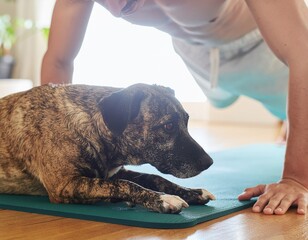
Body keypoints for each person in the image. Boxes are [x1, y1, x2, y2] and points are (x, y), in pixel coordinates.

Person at [41, 0, 308, 215]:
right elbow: (59, 60)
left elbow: (303, 56)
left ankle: (285, 115)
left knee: (280, 103)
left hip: (261, 46)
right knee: (230, 100)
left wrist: (296, 179)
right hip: (195, 52)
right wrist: (56, 156)